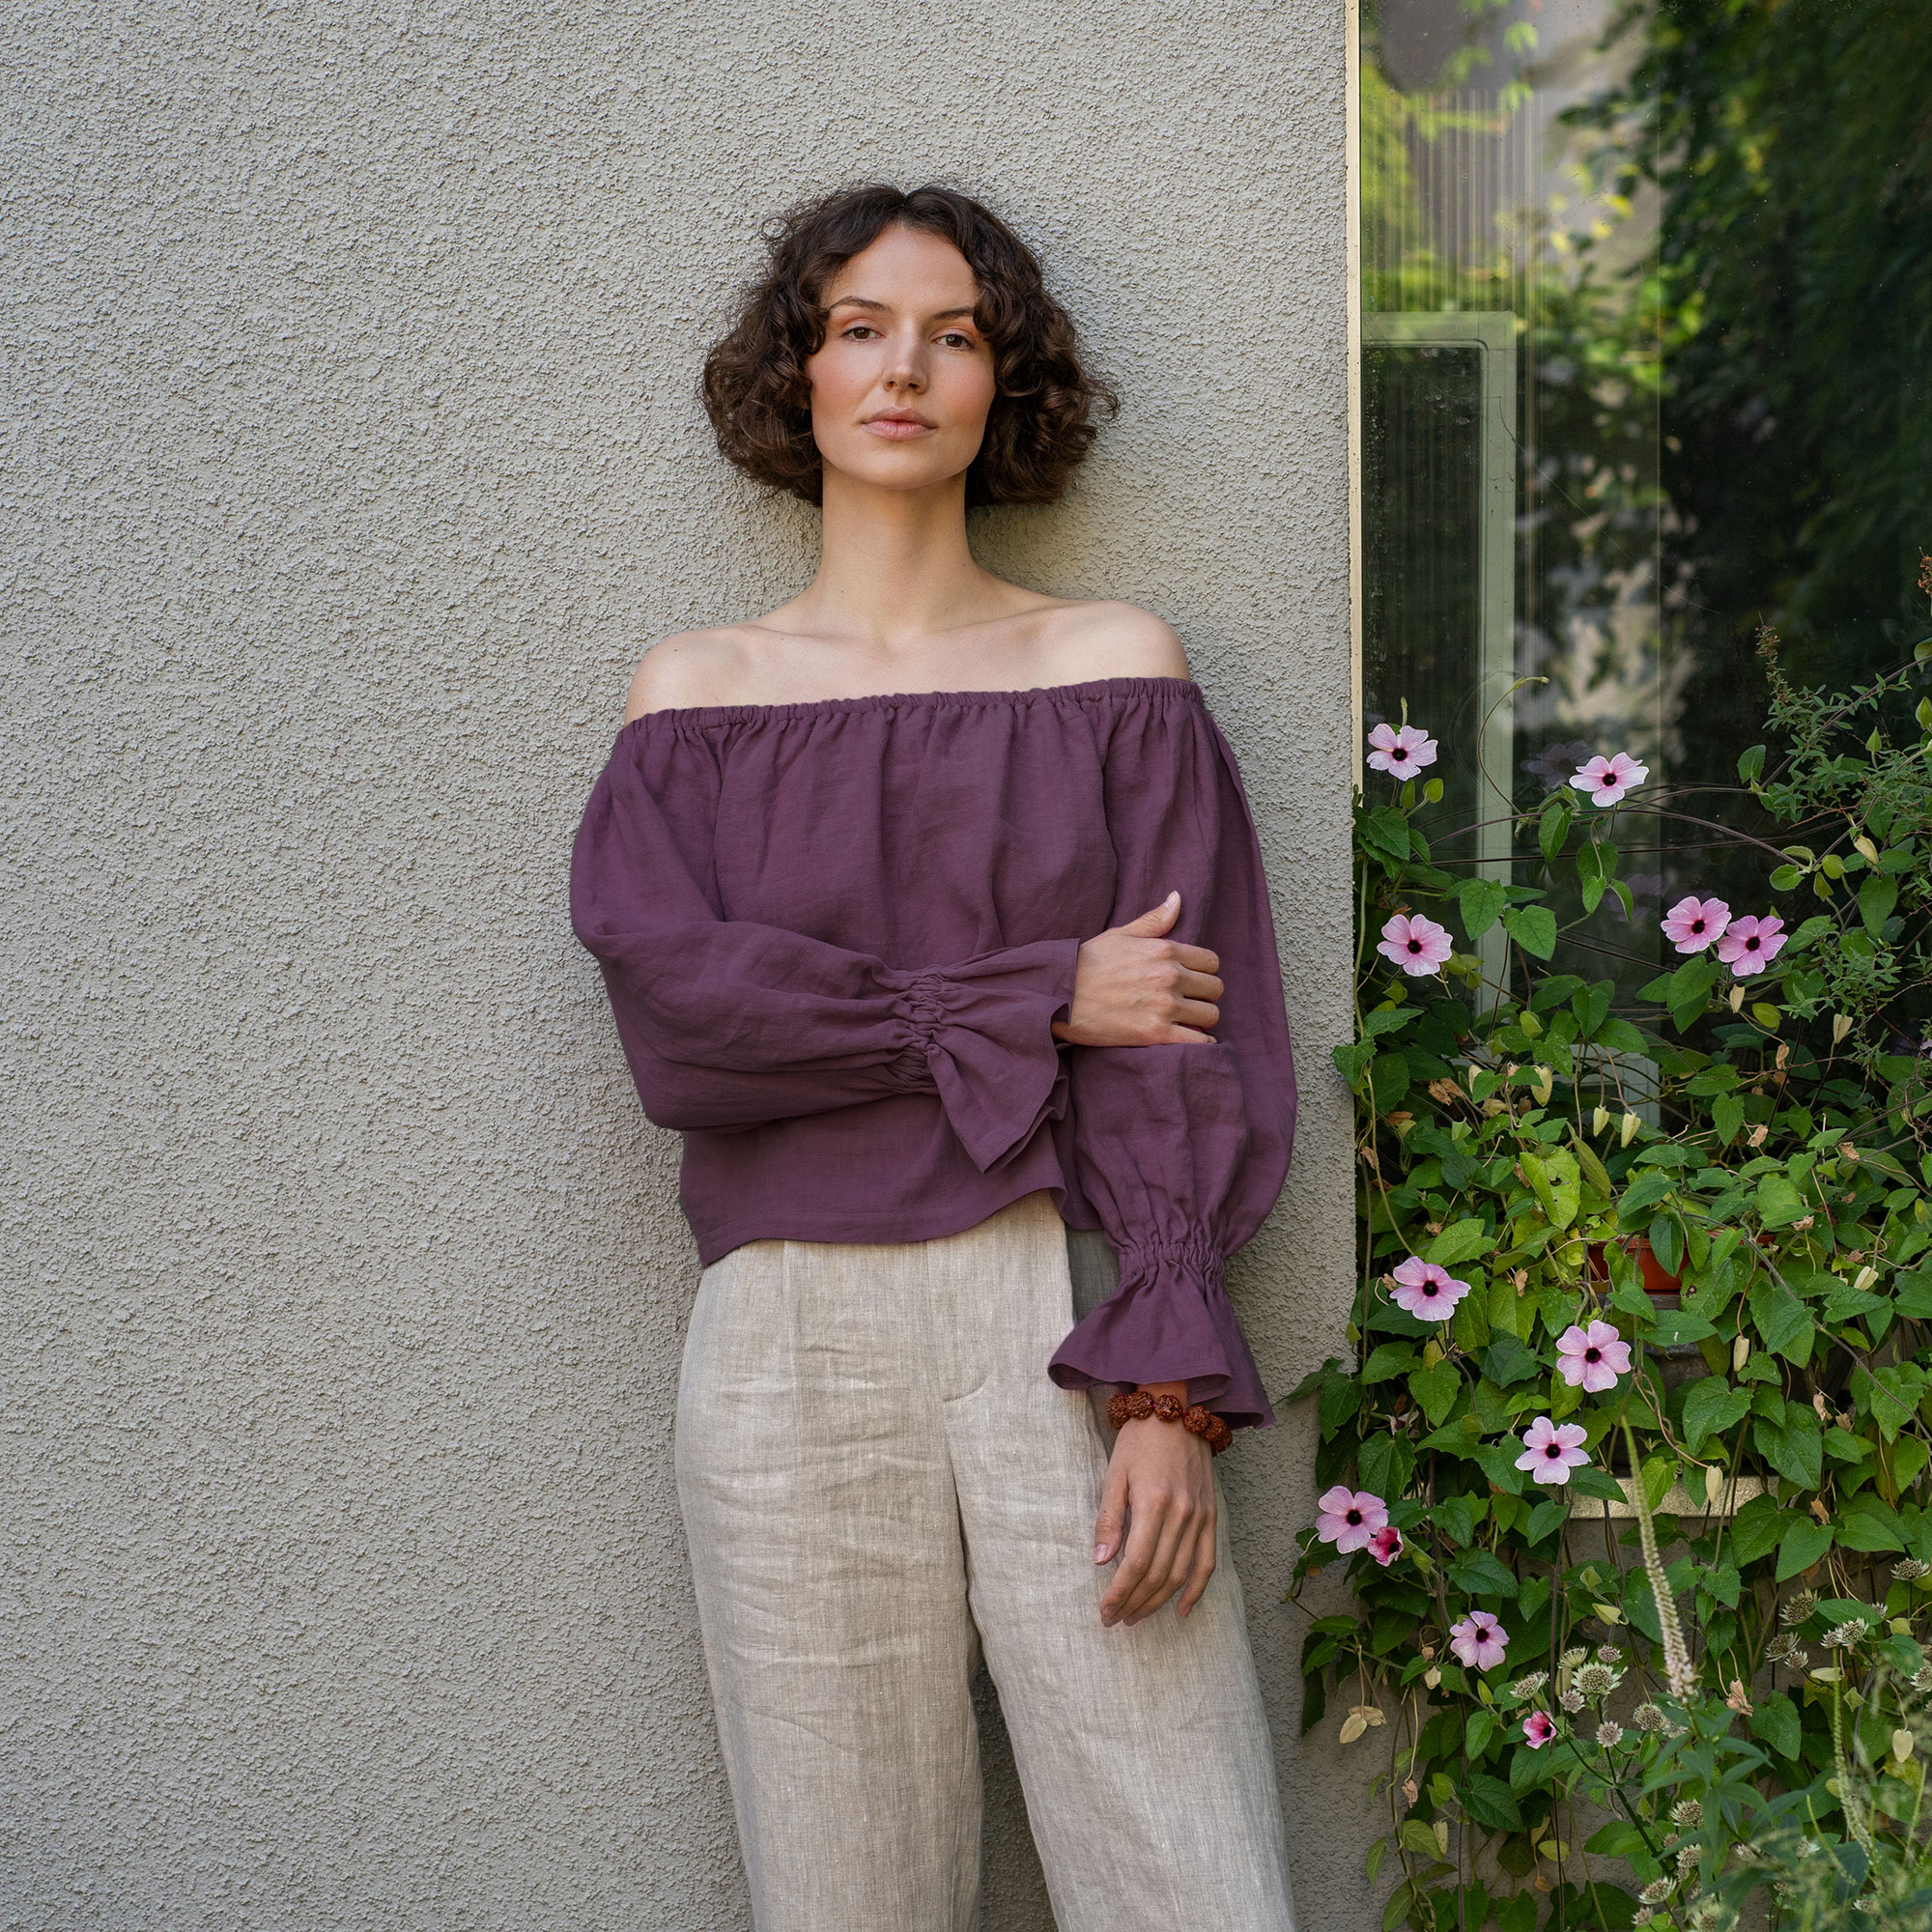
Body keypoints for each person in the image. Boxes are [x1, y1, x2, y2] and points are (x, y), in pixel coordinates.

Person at [571, 183, 1298, 1932]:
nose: (904, 369)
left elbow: (1192, 1044)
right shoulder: (693, 699)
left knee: (1190, 1876)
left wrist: (1170, 1390)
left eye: (953, 335)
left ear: (1003, 382)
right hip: (782, 1341)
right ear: (800, 374)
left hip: (1064, 1313)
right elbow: (692, 1033)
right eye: (860, 329)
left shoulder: (1113, 670)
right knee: (848, 1896)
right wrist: (1041, 995)